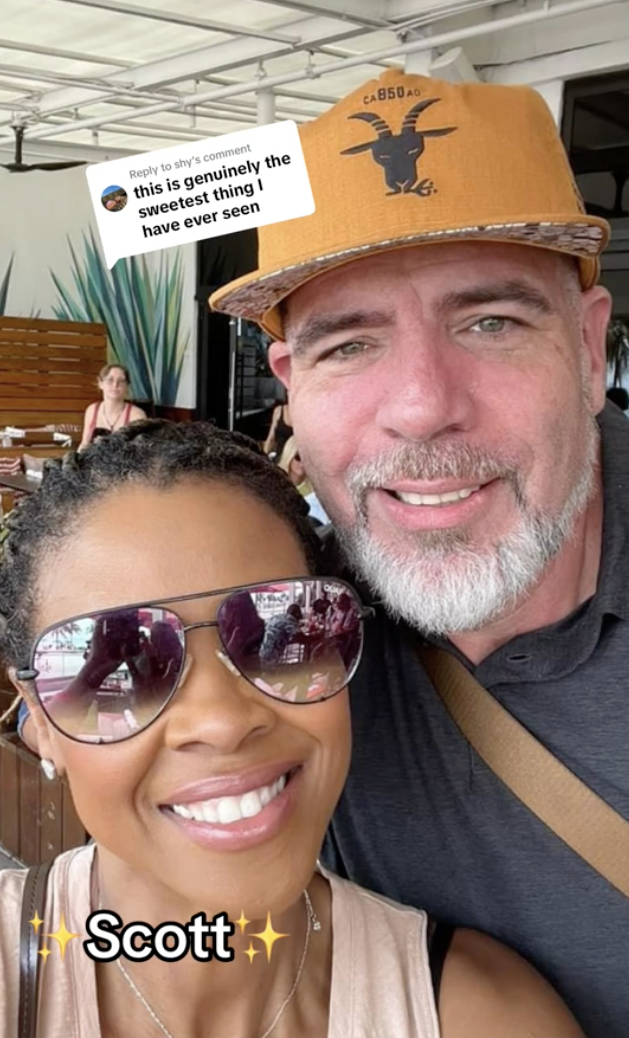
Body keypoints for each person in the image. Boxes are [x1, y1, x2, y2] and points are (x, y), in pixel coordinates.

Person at [210, 68, 626, 1037]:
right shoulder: (271, 622)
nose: (419, 405)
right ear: (288, 386)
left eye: (490, 322)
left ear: (586, 349)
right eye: (347, 346)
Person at [0, 421, 583, 1037]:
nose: (222, 722)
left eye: (283, 633)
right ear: (37, 718)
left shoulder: (486, 1017)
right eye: (120, 665)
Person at [79, 363, 146, 449]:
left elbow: (141, 452)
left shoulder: (137, 416)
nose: (115, 385)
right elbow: (84, 444)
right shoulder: (91, 411)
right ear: (100, 383)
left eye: (121, 381)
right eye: (110, 380)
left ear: (127, 386)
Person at [278, 437, 329, 526]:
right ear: (289, 456)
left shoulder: (315, 488)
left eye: (306, 458)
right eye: (298, 457)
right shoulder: (276, 482)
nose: (302, 463)